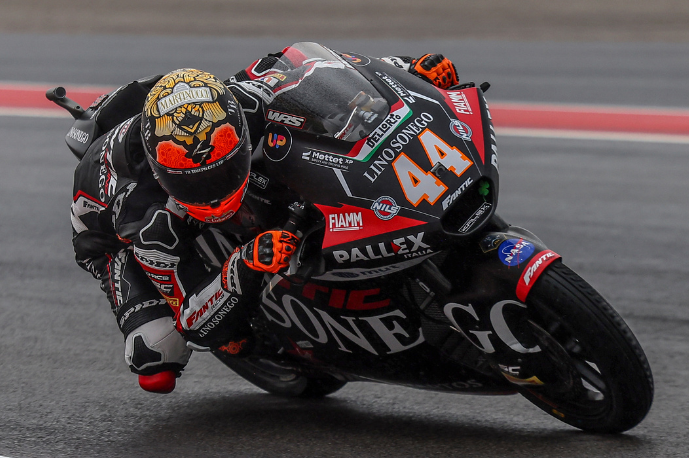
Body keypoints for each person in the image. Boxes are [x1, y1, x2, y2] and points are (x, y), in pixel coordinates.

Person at [70, 50, 459, 393]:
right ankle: (240, 335)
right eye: (191, 182)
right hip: (108, 240)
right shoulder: (148, 219)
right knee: (157, 356)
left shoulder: (250, 98)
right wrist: (244, 264)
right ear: (161, 174)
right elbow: (192, 319)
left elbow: (334, 70)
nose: (213, 193)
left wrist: (412, 68)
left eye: (222, 170)